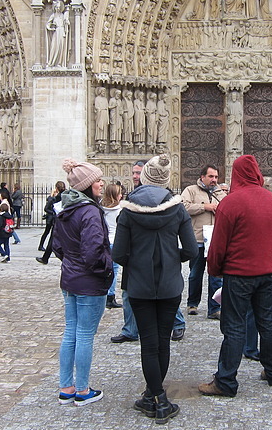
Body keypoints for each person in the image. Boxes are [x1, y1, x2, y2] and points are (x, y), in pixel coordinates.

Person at [112, 154, 197, 422]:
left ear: (145, 178)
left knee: (148, 344)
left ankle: (155, 397)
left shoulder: (128, 210)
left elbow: (118, 254)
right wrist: (173, 259)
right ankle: (157, 397)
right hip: (170, 284)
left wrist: (136, 263)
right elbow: (192, 249)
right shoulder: (178, 209)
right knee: (163, 341)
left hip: (139, 286)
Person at [198, 155, 272, 398]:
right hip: (267, 273)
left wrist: (214, 269)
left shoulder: (231, 202)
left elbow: (218, 245)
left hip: (239, 274)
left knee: (234, 327)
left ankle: (225, 381)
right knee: (267, 324)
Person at [51, 158, 112, 407]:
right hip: (89, 282)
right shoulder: (89, 211)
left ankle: (66, 387)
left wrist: (71, 264)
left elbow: (57, 246)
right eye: (97, 180)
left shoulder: (65, 208)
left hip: (70, 280)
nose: (101, 183)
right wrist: (106, 270)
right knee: (85, 335)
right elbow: (93, 250)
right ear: (87, 185)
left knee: (70, 333)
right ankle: (83, 390)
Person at [181, 164, 226, 319]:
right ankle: (192, 303)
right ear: (202, 177)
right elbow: (183, 207)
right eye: (210, 176)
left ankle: (215, 308)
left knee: (216, 276)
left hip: (216, 240)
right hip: (198, 239)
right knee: (195, 273)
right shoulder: (191, 190)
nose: (214, 180)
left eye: (215, 177)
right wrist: (204, 206)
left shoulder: (221, 194)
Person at [101, 183, 123, 309]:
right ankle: (110, 296)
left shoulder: (101, 208)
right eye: (119, 193)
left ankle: (104, 293)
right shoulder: (120, 210)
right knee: (113, 270)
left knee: (104, 268)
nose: (121, 195)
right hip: (115, 241)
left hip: (104, 241)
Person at [36, 181, 66, 264]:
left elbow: (53, 208)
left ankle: (46, 258)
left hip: (58, 220)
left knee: (52, 239)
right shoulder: (67, 195)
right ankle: (45, 258)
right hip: (65, 220)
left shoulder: (57, 197)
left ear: (56, 188)